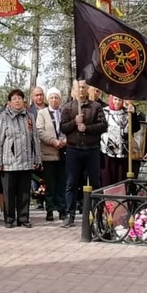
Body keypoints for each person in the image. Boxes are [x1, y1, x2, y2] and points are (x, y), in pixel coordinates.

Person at [60, 80, 106, 227]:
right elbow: (63, 128)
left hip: (91, 149)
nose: (81, 90)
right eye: (79, 87)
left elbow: (103, 125)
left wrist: (87, 128)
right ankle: (69, 215)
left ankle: (97, 214)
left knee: (95, 183)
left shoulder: (96, 106)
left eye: (84, 87)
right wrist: (75, 122)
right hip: (73, 150)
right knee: (70, 183)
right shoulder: (68, 108)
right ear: (74, 89)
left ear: (88, 90)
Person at [0, 88, 40, 227]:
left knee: (24, 192)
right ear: (9, 102)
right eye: (14, 99)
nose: (17, 101)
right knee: (9, 192)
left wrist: (37, 158)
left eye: (20, 98)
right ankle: (9, 219)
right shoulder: (3, 117)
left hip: (26, 161)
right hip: (9, 161)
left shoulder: (30, 117)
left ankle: (23, 218)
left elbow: (35, 139)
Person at [35, 87, 68, 221]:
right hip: (48, 153)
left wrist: (65, 141)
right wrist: (53, 141)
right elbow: (40, 131)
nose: (54, 100)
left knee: (61, 184)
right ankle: (49, 210)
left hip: (63, 153)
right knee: (49, 184)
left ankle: (62, 209)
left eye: (57, 97)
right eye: (52, 98)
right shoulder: (42, 113)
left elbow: (69, 128)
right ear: (48, 99)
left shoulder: (64, 112)